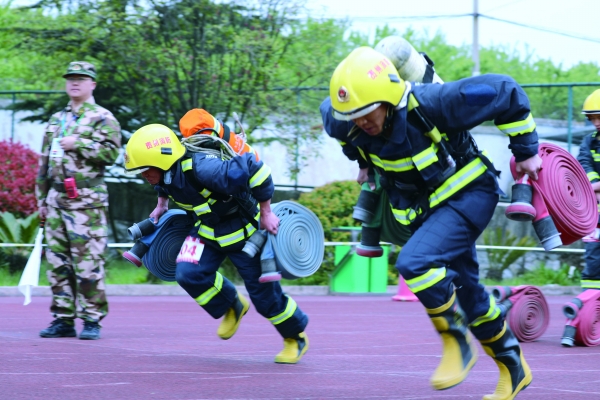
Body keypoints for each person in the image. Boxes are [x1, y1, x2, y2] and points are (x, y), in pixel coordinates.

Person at [321, 46, 542, 399]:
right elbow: (342, 131)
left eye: (367, 111)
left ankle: (456, 342)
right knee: (468, 292)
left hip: (468, 193)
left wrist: (526, 150)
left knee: (415, 263)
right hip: (428, 209)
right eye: (353, 115)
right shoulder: (341, 120)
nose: (360, 120)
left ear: (389, 98)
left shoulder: (435, 103)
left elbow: (506, 90)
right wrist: (360, 161)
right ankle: (514, 368)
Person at [123, 122, 309, 364]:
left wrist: (266, 212)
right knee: (188, 273)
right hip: (207, 231)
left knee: (265, 299)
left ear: (163, 160)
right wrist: (162, 204)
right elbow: (164, 183)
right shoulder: (166, 172)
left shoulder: (206, 169)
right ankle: (232, 304)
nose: (143, 175)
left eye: (146, 169)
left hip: (244, 233)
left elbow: (257, 170)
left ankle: (295, 337)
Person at [35, 61, 122, 340]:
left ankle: (92, 319)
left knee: (88, 264)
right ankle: (63, 319)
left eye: (81, 79)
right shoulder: (56, 119)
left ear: (92, 84)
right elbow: (44, 162)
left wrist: (79, 144)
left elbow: (111, 155)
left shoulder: (103, 118)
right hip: (57, 199)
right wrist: (41, 199)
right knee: (57, 263)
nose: (75, 82)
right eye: (71, 78)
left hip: (87, 202)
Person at [577, 88, 600, 291]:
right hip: (595, 212)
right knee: (592, 257)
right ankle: (590, 302)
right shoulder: (589, 142)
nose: (596, 122)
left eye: (599, 117)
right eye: (592, 118)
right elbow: (584, 166)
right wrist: (593, 186)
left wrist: (596, 187)